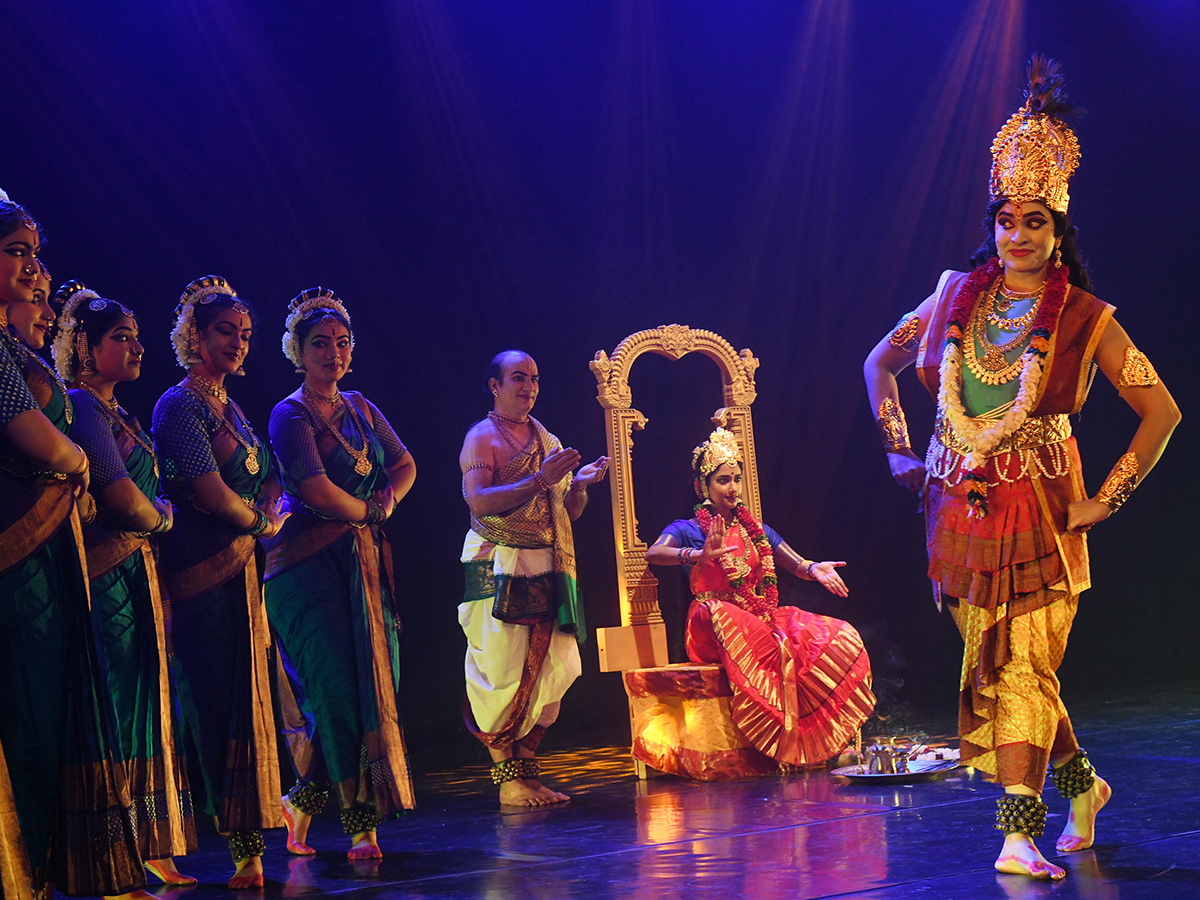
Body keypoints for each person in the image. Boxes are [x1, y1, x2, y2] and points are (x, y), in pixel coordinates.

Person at [863, 58, 1180, 880]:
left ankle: (1015, 830)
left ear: (1058, 228)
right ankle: (1084, 786)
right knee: (1006, 668)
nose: (1018, 235)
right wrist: (899, 444)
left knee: (1025, 668)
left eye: (1035, 221)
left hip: (1041, 512)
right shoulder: (952, 297)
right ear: (994, 221)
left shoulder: (1084, 317)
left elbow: (1162, 413)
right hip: (958, 513)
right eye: (1007, 218)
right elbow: (878, 363)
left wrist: (1105, 501)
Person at [0, 194, 146, 899]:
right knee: (26, 722)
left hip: (50, 572)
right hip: (17, 570)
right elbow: (36, 440)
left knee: (54, 719)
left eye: (34, 254)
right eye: (17, 253)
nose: (34, 272)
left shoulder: (12, 351)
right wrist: (80, 466)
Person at [52, 280, 198, 886]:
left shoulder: (118, 413)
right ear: (84, 347)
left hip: (138, 574)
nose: (137, 347)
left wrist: (155, 515)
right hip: (106, 576)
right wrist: (162, 515)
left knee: (145, 705)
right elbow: (119, 496)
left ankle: (147, 842)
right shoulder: (82, 407)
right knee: (116, 704)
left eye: (138, 337)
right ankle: (115, 855)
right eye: (121, 338)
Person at [264, 288, 417, 859]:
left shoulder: (360, 407)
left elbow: (404, 464)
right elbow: (312, 489)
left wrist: (385, 505)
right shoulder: (290, 414)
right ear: (297, 351)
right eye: (321, 344)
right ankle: (359, 824)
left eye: (343, 343)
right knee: (334, 691)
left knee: (374, 685)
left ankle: (302, 801)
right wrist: (370, 512)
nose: (334, 353)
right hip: (306, 568)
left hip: (361, 559)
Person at [151, 276, 288, 889]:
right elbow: (209, 492)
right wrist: (262, 521)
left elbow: (263, 476)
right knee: (211, 707)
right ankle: (192, 840)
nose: (237, 343)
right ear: (194, 337)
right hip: (201, 575)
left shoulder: (231, 408)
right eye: (225, 332)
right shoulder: (177, 405)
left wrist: (265, 507)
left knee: (246, 702)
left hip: (241, 573)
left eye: (245, 334)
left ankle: (249, 847)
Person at [645, 427, 875, 771]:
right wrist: (697, 555)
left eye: (736, 479)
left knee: (826, 636)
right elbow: (655, 553)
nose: (733, 488)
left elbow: (794, 562)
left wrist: (814, 569)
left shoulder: (758, 530)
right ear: (702, 487)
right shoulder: (688, 528)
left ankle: (822, 744)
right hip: (712, 620)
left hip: (757, 615)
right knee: (761, 636)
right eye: (723, 480)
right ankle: (781, 744)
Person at [458, 350, 609, 806]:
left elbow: (567, 513)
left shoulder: (547, 439)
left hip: (547, 563)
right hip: (497, 562)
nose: (529, 387)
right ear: (494, 386)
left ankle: (527, 771)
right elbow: (479, 502)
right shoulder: (481, 438)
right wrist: (541, 481)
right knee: (501, 672)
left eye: (535, 379)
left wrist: (577, 485)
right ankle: (507, 781)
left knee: (556, 670)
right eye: (518, 378)